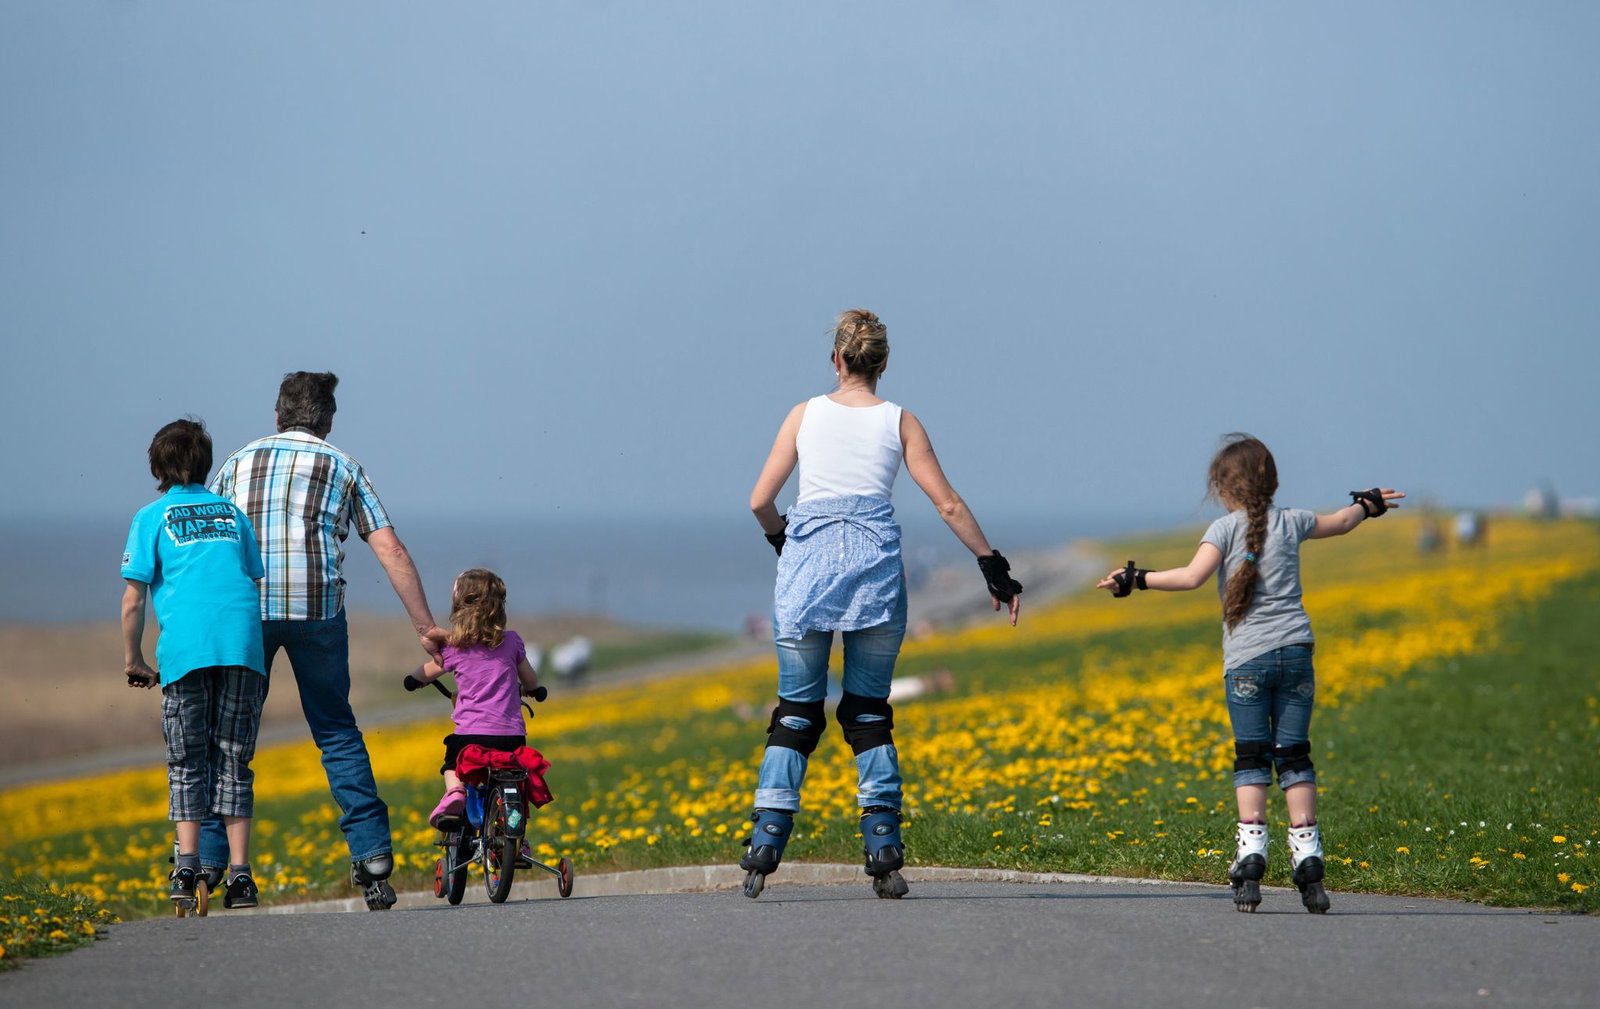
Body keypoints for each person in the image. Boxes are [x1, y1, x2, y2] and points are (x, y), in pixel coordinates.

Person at [741, 308, 1024, 900]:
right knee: (868, 712)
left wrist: (782, 542)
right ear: (883, 365)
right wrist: (991, 566)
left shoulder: (804, 415)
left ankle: (766, 840)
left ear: (837, 360)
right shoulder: (900, 422)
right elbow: (946, 503)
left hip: (807, 575)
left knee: (796, 712)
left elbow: (760, 501)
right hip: (874, 578)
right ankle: (883, 846)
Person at [1096, 433, 1404, 914]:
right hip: (1297, 652)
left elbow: (1190, 578)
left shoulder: (1222, 530)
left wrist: (1134, 579)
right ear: (1272, 481)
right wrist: (1369, 504)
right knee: (1295, 756)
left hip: (1246, 661)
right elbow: (1343, 522)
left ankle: (1252, 855)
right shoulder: (1295, 521)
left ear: (1223, 487)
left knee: (1252, 757)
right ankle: (1308, 860)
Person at [202, 371, 448, 910]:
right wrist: (426, 628)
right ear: (328, 421)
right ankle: (372, 858)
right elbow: (392, 551)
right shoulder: (343, 465)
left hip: (248, 611)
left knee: (230, 739)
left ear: (277, 414)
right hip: (318, 610)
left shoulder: (237, 462)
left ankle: (213, 863)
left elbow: (210, 543)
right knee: (336, 732)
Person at [121, 418, 267, 912]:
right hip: (243, 649)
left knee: (187, 761)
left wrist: (134, 659)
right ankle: (241, 877)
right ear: (205, 463)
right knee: (233, 761)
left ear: (157, 467)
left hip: (185, 653)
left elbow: (133, 601)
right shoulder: (231, 513)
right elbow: (249, 577)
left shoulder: (151, 516)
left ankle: (186, 865)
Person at [401, 568, 547, 837]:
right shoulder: (512, 642)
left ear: (459, 606)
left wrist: (413, 680)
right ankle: (515, 837)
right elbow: (530, 679)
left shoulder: (455, 647)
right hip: (511, 737)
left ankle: (455, 791)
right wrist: (533, 690)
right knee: (514, 777)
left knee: (452, 764)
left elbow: (426, 672)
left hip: (470, 736)